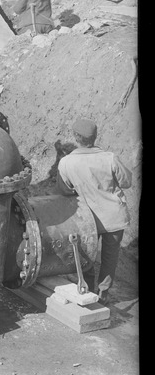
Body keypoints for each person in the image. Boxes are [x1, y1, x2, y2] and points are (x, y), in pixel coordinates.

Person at [57, 118, 133, 301]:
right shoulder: (110, 158)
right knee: (110, 258)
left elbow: (64, 190)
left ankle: (88, 290)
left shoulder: (66, 163)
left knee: (88, 254)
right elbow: (126, 182)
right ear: (95, 136)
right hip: (114, 218)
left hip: (87, 220)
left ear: (76, 137)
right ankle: (103, 293)